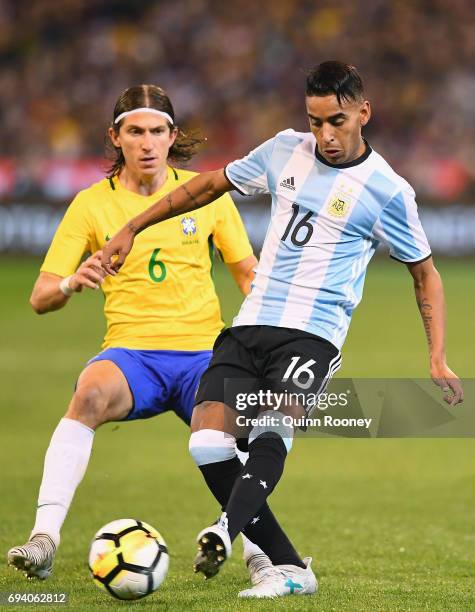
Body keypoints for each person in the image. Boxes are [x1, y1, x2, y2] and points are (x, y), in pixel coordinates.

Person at [101, 62, 464, 599]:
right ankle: (291, 566)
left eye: (336, 121)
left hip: (312, 333)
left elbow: (425, 275)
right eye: (315, 121)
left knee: (272, 427)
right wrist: (132, 225)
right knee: (206, 444)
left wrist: (437, 356)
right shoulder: (282, 150)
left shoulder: (388, 191)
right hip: (250, 325)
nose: (325, 135)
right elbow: (207, 187)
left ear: (364, 113)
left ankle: (226, 531)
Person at [7, 84, 265, 581]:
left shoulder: (207, 195)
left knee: (238, 432)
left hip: (202, 357)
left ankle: (256, 552)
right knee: (88, 395)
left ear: (172, 136)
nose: (147, 143)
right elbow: (40, 297)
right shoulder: (90, 205)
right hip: (132, 358)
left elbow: (248, 276)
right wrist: (70, 280)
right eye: (135, 132)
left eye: (157, 132)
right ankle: (43, 539)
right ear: (115, 137)